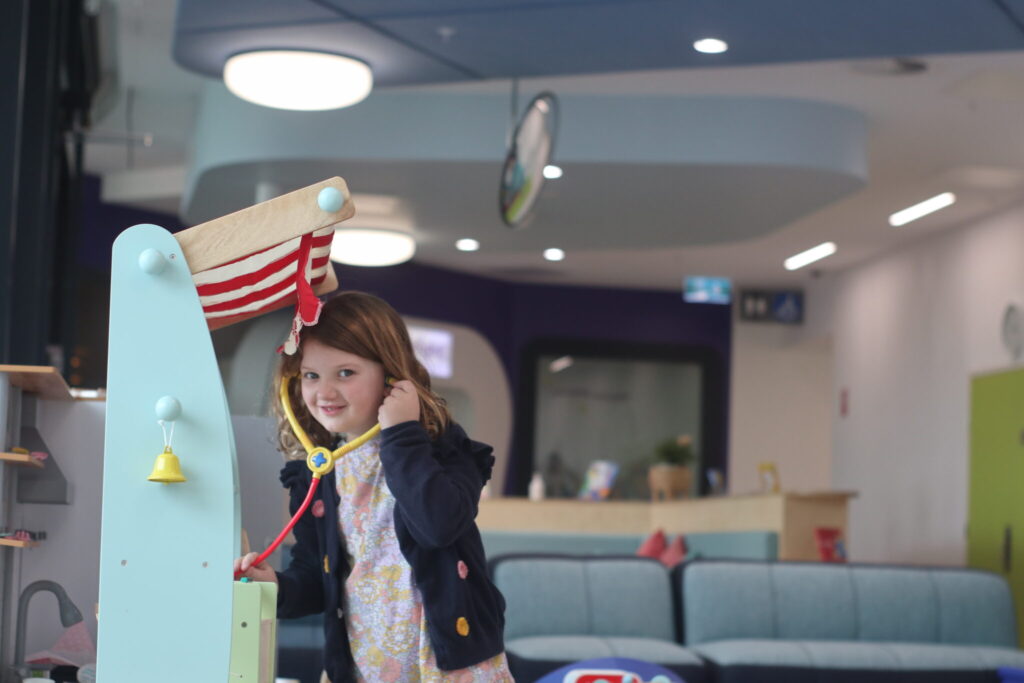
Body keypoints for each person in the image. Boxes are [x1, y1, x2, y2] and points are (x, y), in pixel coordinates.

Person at [235, 291, 513, 683]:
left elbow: (437, 525)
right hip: (365, 667)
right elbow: (317, 577)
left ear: (391, 374)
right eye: (312, 375)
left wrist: (401, 433)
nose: (325, 392)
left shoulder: (445, 450)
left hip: (452, 669)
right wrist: (277, 586)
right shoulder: (316, 473)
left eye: (345, 373)